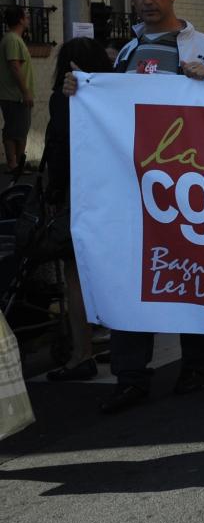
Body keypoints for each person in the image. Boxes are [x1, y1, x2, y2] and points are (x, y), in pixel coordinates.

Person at [63, 0, 204, 414]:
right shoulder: (123, 53)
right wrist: (80, 90)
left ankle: (197, 363)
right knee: (131, 277)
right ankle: (131, 376)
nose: (147, 1)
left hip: (189, 185)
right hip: (135, 186)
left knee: (191, 273)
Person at [43, 38, 115, 381]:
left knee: (76, 277)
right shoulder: (114, 97)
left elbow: (58, 149)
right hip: (115, 195)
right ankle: (120, 342)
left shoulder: (65, 99)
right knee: (113, 273)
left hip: (79, 193)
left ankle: (81, 354)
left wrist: (54, 192)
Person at [0, 6, 35, 172]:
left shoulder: (14, 39)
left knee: (20, 129)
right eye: (26, 16)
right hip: (15, 95)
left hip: (16, 95)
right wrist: (26, 92)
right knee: (16, 130)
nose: (28, 19)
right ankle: (14, 164)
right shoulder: (13, 39)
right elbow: (14, 67)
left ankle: (17, 163)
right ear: (20, 19)